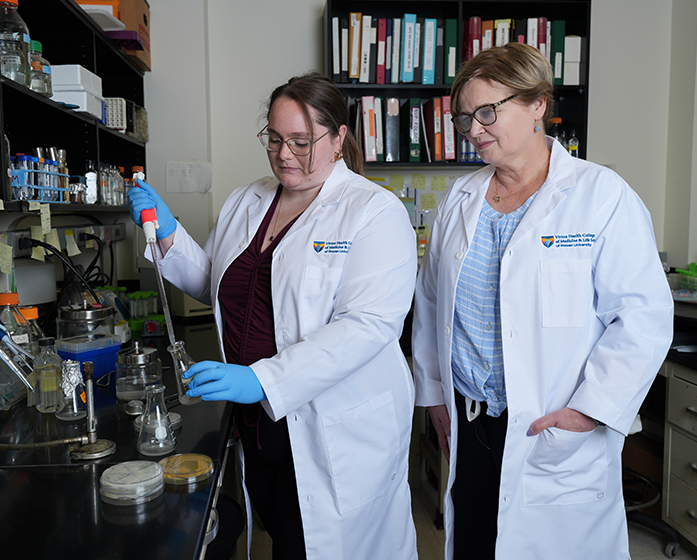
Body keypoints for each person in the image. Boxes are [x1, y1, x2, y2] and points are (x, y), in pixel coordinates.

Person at [128, 72, 418, 560]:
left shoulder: (374, 212)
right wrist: (171, 233)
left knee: (315, 546)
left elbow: (367, 326)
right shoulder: (248, 200)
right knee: (282, 535)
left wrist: (261, 380)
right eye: (276, 138)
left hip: (332, 429)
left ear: (339, 138)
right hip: (257, 426)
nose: (285, 154)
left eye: (302, 142)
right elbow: (216, 285)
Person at [411, 42, 673, 560]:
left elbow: (643, 317)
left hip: (550, 425)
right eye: (465, 117)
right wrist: (435, 395)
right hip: (469, 421)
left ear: (537, 105)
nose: (473, 129)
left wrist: (590, 411)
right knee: (476, 544)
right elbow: (431, 306)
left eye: (488, 111)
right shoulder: (459, 201)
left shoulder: (601, 195)